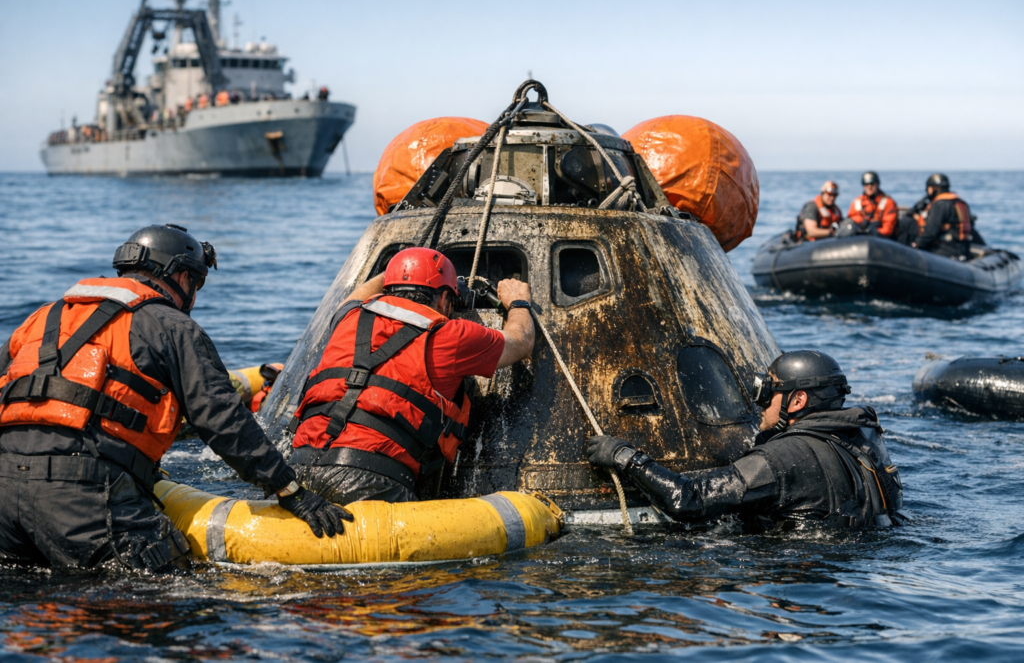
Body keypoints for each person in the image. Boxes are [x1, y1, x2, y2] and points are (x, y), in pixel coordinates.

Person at [0, 224, 350, 571]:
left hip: (4, 496)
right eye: (195, 283)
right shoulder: (171, 326)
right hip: (83, 500)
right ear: (182, 278)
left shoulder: (40, 319)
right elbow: (223, 421)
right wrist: (290, 490)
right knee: (167, 591)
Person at [289, 247, 536, 505]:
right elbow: (521, 340)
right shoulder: (452, 335)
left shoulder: (347, 317)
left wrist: (406, 267)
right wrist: (517, 303)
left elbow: (357, 296)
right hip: (369, 479)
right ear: (443, 301)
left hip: (299, 468)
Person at [588, 351, 904, 529]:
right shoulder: (862, 442)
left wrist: (626, 457)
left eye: (768, 392)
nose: (759, 403)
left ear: (797, 401)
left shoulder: (783, 456)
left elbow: (688, 501)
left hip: (797, 571)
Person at [905, 174, 979, 259]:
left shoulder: (939, 204)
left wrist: (916, 245)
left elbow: (930, 232)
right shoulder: (959, 202)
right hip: (962, 249)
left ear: (934, 188)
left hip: (945, 250)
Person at [847, 171, 898, 239]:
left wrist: (874, 231)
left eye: (872, 184)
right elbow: (851, 219)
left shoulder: (888, 202)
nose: (869, 187)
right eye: (866, 184)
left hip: (880, 237)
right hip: (860, 237)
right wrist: (862, 224)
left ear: (877, 184)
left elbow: (888, 228)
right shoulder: (857, 202)